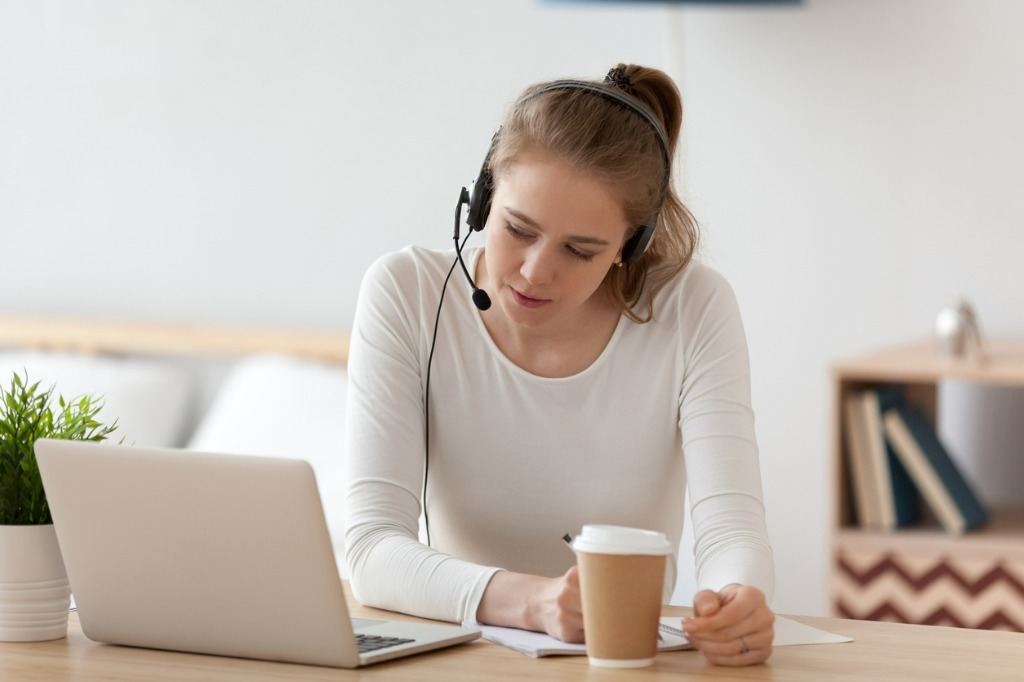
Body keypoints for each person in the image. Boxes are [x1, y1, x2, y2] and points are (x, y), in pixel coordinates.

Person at [344, 63, 776, 667]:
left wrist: (740, 598)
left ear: (631, 245)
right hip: (457, 664)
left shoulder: (693, 307)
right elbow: (371, 548)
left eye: (580, 250)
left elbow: (731, 532)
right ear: (483, 197)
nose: (535, 272)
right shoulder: (407, 292)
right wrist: (536, 602)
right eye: (518, 230)